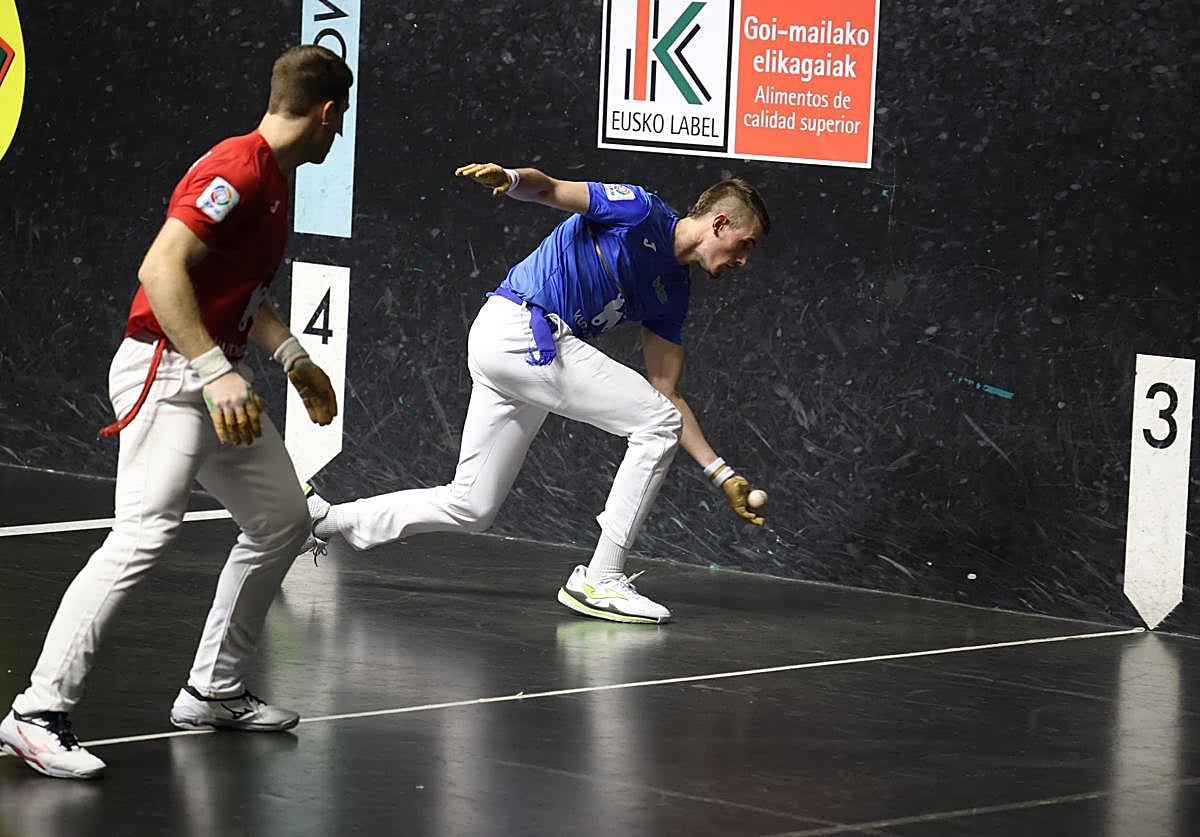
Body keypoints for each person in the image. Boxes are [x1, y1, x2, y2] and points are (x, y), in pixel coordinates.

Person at [0, 44, 352, 780]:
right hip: (168, 369)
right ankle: (35, 711)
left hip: (212, 378)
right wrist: (217, 370)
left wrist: (293, 359)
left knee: (284, 519)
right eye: (340, 119)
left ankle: (212, 690)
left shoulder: (276, 184)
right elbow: (160, 269)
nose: (339, 133)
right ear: (326, 113)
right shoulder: (237, 168)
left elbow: (242, 296)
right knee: (144, 533)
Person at [305, 163, 769, 625]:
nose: (745, 260)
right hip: (520, 330)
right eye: (745, 244)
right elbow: (550, 188)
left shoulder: (674, 291)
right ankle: (601, 578)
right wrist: (510, 179)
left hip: (516, 349)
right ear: (719, 223)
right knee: (655, 424)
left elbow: (666, 391)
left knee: (472, 505)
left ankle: (324, 519)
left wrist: (721, 474)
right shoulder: (639, 210)